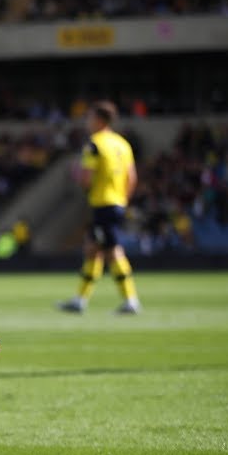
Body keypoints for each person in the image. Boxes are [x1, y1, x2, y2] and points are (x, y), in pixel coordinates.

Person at [57, 100, 143, 315]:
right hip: (117, 203)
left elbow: (86, 178)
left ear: (99, 120)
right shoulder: (123, 144)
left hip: (102, 204)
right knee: (92, 250)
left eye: (90, 117)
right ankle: (80, 300)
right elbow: (132, 178)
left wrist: (77, 174)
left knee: (113, 251)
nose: (87, 121)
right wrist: (122, 199)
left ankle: (130, 300)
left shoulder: (94, 144)